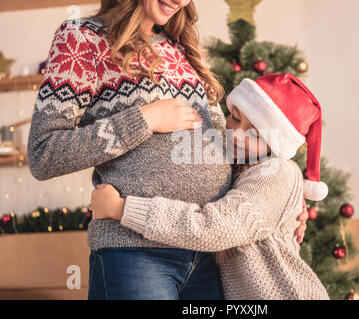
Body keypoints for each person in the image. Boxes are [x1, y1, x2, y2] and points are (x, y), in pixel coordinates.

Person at [27, 0, 307, 300]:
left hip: (211, 257)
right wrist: (144, 119)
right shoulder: (82, 38)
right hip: (136, 251)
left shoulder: (185, 47)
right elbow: (44, 154)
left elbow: (223, 149)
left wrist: (281, 196)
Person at [89, 73, 330, 299]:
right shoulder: (242, 166)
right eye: (235, 118)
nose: (236, 135)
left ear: (275, 146)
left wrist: (122, 208)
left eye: (254, 134)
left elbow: (215, 228)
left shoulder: (277, 173)